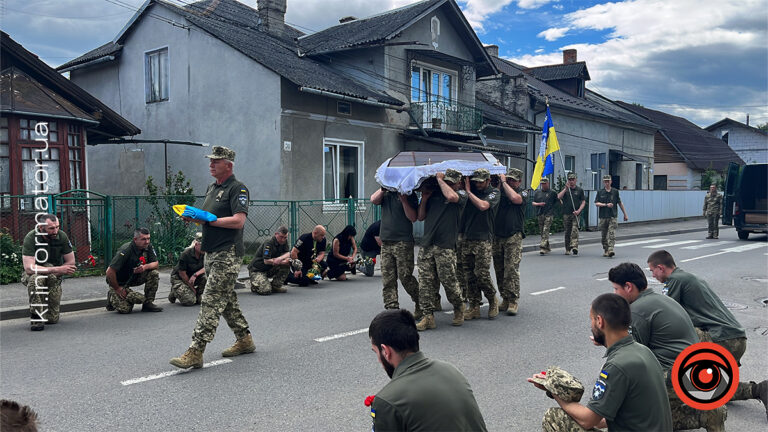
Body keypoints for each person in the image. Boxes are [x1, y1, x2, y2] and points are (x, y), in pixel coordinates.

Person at [528, 293, 672, 431]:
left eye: (591, 320)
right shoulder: (643, 351)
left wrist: (554, 392)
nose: (591, 326)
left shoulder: (617, 365)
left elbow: (588, 419)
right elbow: (609, 418)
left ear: (599, 321)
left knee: (554, 418)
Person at [647, 250, 768, 415]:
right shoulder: (687, 277)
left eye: (652, 271)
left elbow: (664, 312)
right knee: (711, 388)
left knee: (686, 375)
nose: (653, 276)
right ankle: (759, 389)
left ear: (661, 267)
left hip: (721, 339)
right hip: (735, 338)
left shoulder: (675, 280)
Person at [608, 262, 725, 431]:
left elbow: (631, 358)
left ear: (628, 287)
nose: (614, 294)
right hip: (698, 372)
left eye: (616, 289)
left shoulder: (636, 311)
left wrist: (607, 340)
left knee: (629, 402)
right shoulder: (663, 299)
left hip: (677, 376)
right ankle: (706, 414)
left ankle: (689, 416)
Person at [170, 146, 254, 369]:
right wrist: (195, 218)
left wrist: (209, 220)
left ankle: (196, 351)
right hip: (211, 251)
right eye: (210, 161)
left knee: (211, 299)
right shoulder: (212, 187)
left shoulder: (238, 189)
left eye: (216, 161)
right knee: (225, 300)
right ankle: (244, 339)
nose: (211, 164)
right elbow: (208, 217)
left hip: (228, 253)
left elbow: (238, 221)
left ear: (229, 165)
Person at [368, 309, 488, 431]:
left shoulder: (389, 400)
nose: (379, 360)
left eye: (376, 352)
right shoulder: (450, 370)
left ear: (385, 351)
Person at [414, 169, 468, 330]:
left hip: (445, 245)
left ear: (459, 183)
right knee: (425, 282)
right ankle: (428, 316)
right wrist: (424, 199)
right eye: (448, 181)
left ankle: (459, 307)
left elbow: (451, 196)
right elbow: (421, 216)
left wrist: (440, 180)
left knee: (449, 281)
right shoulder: (434, 195)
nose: (450, 184)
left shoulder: (461, 195)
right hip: (427, 244)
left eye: (452, 182)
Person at [21, 213, 76, 331]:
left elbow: (71, 262)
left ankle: (46, 309)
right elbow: (29, 268)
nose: (55, 231)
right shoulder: (31, 237)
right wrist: (56, 269)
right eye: (51, 228)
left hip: (53, 275)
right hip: (34, 273)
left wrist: (60, 270)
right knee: (36, 280)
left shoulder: (62, 236)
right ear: (41, 228)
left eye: (57, 227)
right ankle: (36, 318)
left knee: (52, 319)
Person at [369, 188, 420, 314]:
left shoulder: (409, 194)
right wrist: (382, 189)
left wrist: (404, 201)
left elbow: (413, 217)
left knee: (405, 277)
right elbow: (373, 200)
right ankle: (392, 310)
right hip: (386, 241)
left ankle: (421, 302)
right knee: (388, 279)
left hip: (403, 241)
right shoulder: (385, 193)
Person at [459, 168, 500, 320]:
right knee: (468, 274)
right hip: (468, 237)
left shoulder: (494, 193)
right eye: (475, 182)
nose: (478, 184)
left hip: (483, 238)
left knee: (481, 274)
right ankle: (474, 305)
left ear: (488, 181)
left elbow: (483, 206)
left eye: (481, 182)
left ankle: (492, 299)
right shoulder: (469, 192)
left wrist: (469, 192)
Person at [492, 168, 526, 316]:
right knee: (499, 269)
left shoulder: (523, 192)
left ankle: (513, 300)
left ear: (519, 181)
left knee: (511, 269)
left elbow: (515, 199)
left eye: (513, 180)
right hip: (497, 235)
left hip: (513, 236)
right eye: (509, 179)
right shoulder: (500, 191)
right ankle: (505, 298)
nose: (511, 182)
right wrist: (499, 185)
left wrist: (504, 182)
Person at [105, 227, 162, 314]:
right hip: (120, 282)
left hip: (135, 277)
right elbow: (109, 272)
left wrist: (144, 267)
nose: (147, 241)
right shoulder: (126, 250)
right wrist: (117, 288)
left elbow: (156, 263)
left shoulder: (148, 246)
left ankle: (148, 304)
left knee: (154, 273)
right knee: (125, 309)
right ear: (135, 239)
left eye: (148, 239)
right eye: (143, 239)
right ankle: (112, 296)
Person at [248, 226, 291, 295]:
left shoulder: (284, 242)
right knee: (266, 291)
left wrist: (280, 258)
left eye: (285, 237)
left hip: (269, 268)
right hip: (257, 270)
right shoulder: (269, 242)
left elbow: (288, 253)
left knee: (286, 265)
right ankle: (255, 286)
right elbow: (266, 261)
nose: (283, 239)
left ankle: (275, 286)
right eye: (281, 237)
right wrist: (281, 261)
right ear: (276, 234)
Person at [169, 232, 206, 306]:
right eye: (202, 245)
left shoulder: (206, 253)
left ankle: (198, 295)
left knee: (200, 301)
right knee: (189, 301)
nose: (205, 247)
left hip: (194, 277)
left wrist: (196, 274)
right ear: (196, 245)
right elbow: (182, 274)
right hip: (180, 278)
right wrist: (192, 288)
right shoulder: (186, 254)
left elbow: (208, 267)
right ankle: (174, 291)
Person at [594, 175, 628, 257]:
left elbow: (620, 203)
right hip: (603, 216)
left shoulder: (615, 191)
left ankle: (610, 249)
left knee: (611, 233)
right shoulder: (600, 192)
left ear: (611, 181)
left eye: (608, 181)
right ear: (603, 182)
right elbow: (596, 203)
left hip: (612, 216)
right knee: (604, 235)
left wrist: (625, 214)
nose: (607, 183)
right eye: (605, 181)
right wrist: (605, 205)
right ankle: (606, 249)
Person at [557, 172, 585, 255]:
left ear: (575, 180)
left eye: (573, 180)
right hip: (566, 213)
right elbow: (558, 197)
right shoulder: (566, 190)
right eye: (570, 180)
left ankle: (575, 246)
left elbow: (583, 202)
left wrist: (579, 210)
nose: (571, 181)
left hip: (575, 213)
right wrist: (565, 189)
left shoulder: (579, 190)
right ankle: (567, 248)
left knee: (574, 229)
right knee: (567, 231)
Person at [532, 177, 557, 255]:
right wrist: (539, 204)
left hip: (549, 213)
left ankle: (542, 247)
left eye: (544, 184)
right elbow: (533, 203)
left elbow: (557, 199)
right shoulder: (538, 192)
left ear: (548, 183)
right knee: (542, 231)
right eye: (542, 184)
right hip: (540, 213)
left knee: (546, 230)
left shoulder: (552, 192)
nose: (543, 185)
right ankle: (547, 247)